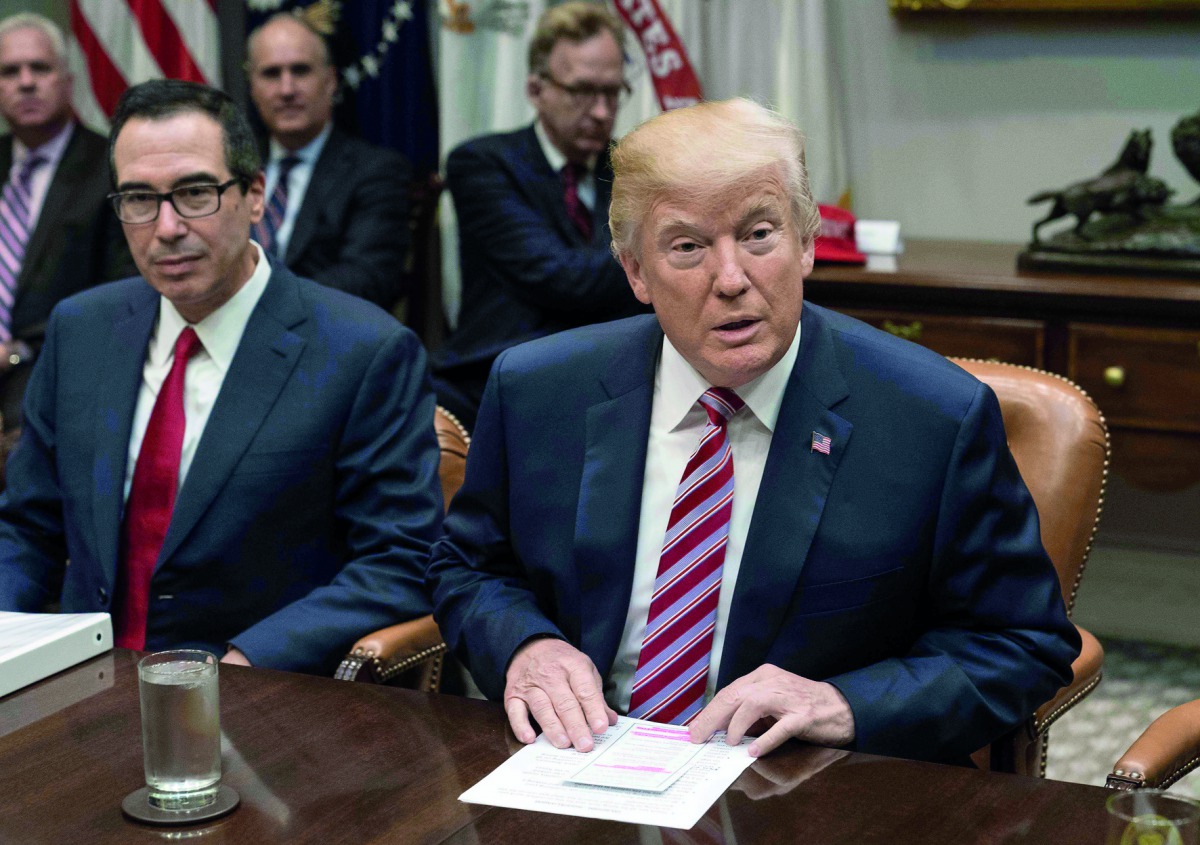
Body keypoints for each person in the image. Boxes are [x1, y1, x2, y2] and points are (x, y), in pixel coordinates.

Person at [426, 98, 1081, 765]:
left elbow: (1023, 642)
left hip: (809, 789)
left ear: (804, 243)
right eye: (687, 247)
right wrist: (527, 643)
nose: (732, 279)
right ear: (634, 272)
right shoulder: (539, 389)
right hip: (578, 774)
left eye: (760, 234)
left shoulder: (933, 416)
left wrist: (845, 702)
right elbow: (471, 568)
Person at [0, 79, 442, 675]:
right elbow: (27, 526)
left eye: (195, 193)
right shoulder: (81, 329)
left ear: (255, 194)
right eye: (138, 198)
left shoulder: (363, 351)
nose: (167, 227)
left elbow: (400, 558)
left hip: (261, 697)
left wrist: (245, 662)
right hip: (83, 691)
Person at [431, 0, 647, 432]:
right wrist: (657, 251)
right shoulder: (482, 164)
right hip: (495, 384)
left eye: (612, 93)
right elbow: (561, 278)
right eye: (583, 91)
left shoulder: (636, 168)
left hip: (612, 385)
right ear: (536, 89)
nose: (602, 111)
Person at [0, 13, 133, 432]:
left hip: (56, 371)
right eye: (9, 71)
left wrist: (18, 349)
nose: (26, 82)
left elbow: (122, 291)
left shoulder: (111, 168)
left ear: (68, 81)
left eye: (40, 68)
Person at [245, 13, 410, 311]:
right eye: (271, 74)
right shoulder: (231, 167)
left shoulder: (376, 171)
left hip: (320, 334)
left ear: (330, 80)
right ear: (253, 87)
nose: (286, 89)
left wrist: (258, 303)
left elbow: (369, 277)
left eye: (300, 70)